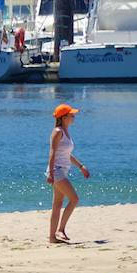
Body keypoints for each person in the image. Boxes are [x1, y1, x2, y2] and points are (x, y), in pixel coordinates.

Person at [46, 103, 90, 243]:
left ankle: (52, 237)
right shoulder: (58, 131)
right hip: (56, 170)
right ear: (64, 117)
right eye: (71, 115)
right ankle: (60, 230)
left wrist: (81, 166)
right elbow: (52, 153)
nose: (74, 117)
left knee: (57, 204)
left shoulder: (65, 132)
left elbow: (67, 154)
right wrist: (50, 173)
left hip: (62, 171)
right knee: (74, 199)